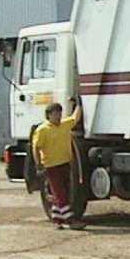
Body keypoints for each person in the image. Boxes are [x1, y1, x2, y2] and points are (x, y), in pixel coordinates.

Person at [32, 98, 86, 230]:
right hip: (51, 166)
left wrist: (78, 104)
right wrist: (38, 165)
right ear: (48, 115)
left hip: (65, 164)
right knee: (60, 192)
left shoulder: (64, 125)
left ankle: (57, 218)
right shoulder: (42, 130)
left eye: (59, 113)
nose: (58, 116)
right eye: (55, 114)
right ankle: (70, 220)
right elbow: (36, 147)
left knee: (64, 191)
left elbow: (75, 118)